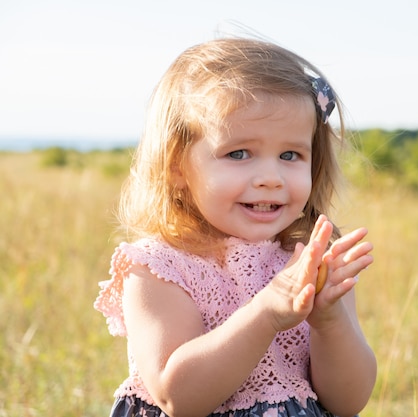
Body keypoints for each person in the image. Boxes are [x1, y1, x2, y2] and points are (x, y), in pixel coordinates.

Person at [94, 36, 377, 417]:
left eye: (290, 154)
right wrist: (266, 313)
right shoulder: (157, 267)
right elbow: (179, 398)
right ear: (177, 166)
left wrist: (330, 321)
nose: (271, 177)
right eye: (238, 153)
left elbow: (348, 403)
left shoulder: (311, 262)